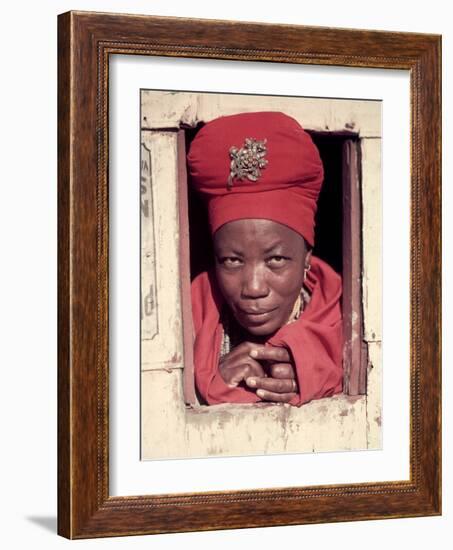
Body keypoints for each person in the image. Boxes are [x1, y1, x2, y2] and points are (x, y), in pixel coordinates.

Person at [187, 111, 343, 406]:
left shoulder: (348, 318)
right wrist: (216, 379)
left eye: (277, 260)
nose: (254, 287)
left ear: (307, 256)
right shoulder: (186, 317)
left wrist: (313, 370)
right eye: (231, 261)